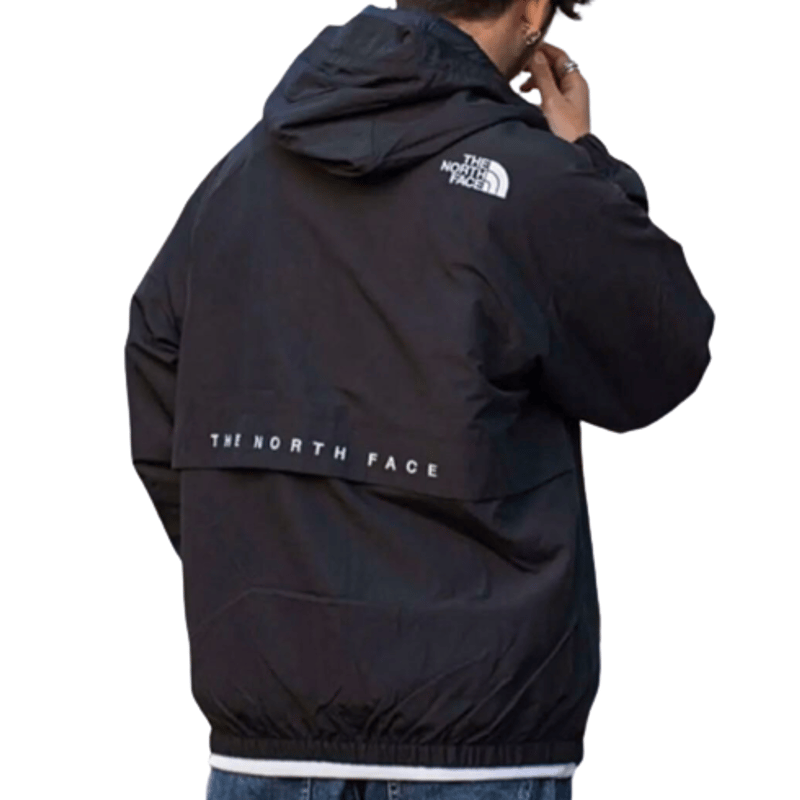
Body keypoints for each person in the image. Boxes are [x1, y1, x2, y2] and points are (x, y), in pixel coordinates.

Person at [123, 1, 715, 798]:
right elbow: (660, 353)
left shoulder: (240, 177)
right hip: (478, 737)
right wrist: (584, 159)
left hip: (270, 735)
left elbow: (159, 369)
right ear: (535, 11)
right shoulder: (535, 181)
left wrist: (262, 554)